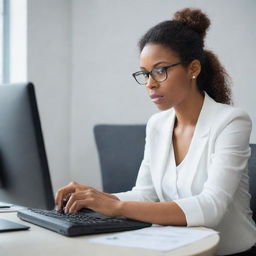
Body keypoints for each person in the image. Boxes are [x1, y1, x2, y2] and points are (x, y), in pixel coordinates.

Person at [55, 8, 256, 256]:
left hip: (229, 253)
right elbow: (145, 194)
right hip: (180, 249)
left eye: (160, 70)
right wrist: (93, 198)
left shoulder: (231, 121)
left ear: (193, 69)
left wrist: (115, 207)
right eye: (145, 73)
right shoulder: (158, 124)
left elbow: (211, 207)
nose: (150, 83)